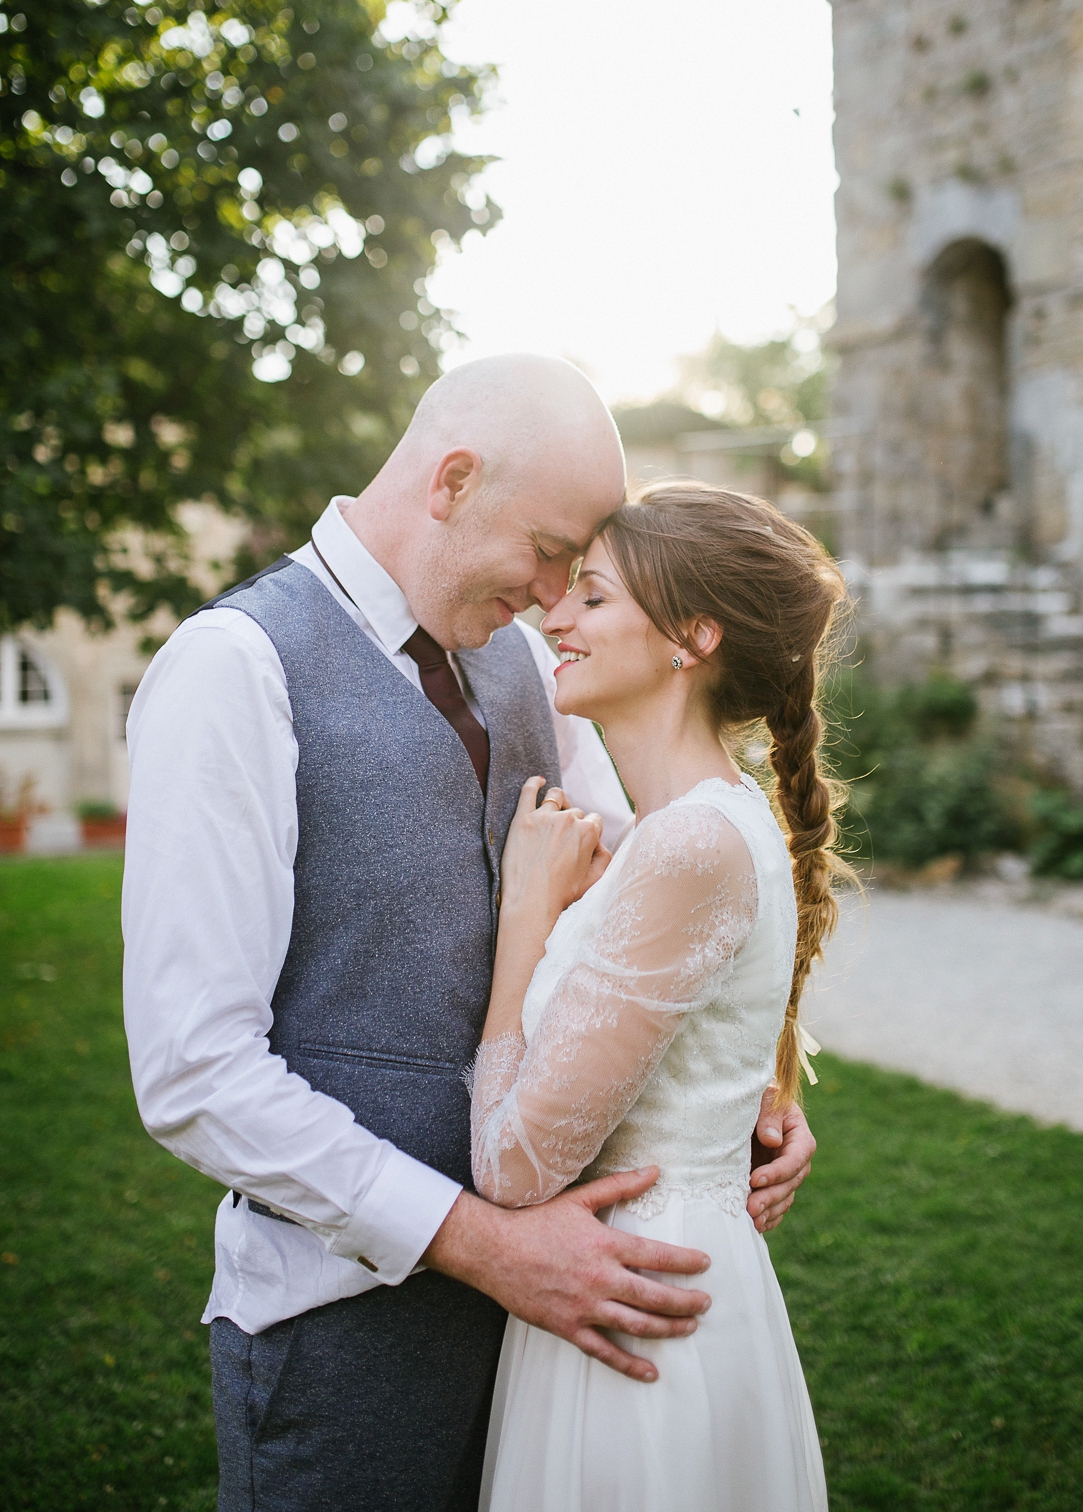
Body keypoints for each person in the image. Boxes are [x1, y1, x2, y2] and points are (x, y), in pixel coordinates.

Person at [121, 356, 818, 1512]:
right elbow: (194, 1072)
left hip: (555, 1338)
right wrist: (480, 1242)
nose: (555, 599)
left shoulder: (534, 673)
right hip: (345, 1329)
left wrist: (753, 1096)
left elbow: (651, 905)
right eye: (551, 551)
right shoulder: (232, 669)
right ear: (452, 480)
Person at [469, 479, 846, 1512]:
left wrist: (523, 922)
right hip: (645, 1278)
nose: (554, 617)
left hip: (638, 1314)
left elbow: (510, 1167)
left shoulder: (688, 843)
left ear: (691, 638)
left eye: (591, 596)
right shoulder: (684, 829)